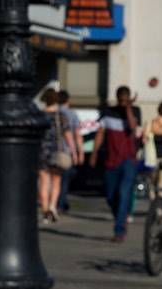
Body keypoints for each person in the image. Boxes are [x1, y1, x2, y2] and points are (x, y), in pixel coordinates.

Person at [89, 85, 139, 242]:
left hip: (129, 159)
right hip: (111, 160)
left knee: (124, 193)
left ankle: (119, 231)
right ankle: (121, 216)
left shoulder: (134, 111)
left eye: (126, 99)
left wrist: (128, 108)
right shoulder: (108, 112)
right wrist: (94, 152)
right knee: (111, 195)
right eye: (121, 100)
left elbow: (132, 127)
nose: (123, 102)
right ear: (117, 98)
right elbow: (100, 133)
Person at [37, 87, 70, 223]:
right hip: (57, 151)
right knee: (56, 182)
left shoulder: (39, 115)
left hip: (41, 151)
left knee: (44, 182)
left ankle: (44, 211)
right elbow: (67, 135)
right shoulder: (60, 115)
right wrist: (74, 151)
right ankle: (52, 206)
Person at [56, 89, 83, 212]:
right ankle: (60, 204)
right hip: (66, 151)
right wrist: (78, 153)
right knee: (64, 180)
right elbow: (75, 135)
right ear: (68, 100)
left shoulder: (52, 112)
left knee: (53, 179)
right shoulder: (72, 115)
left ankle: (52, 204)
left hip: (51, 151)